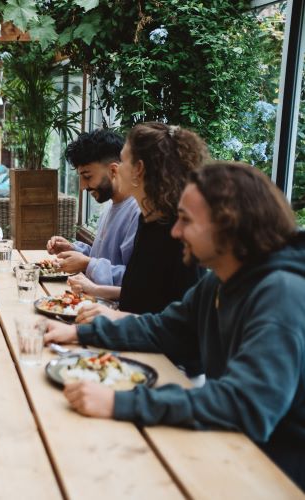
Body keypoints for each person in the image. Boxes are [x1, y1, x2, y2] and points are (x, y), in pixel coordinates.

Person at [43, 161, 305, 491]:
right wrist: (80, 332)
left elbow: (244, 405)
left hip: (274, 477)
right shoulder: (219, 283)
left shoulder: (280, 293)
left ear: (228, 226)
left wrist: (120, 402)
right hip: (230, 449)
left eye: (186, 220)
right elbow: (162, 330)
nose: (175, 232)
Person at [70, 122, 205, 322]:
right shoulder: (148, 220)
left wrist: (114, 318)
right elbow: (141, 295)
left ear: (138, 169)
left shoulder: (174, 229)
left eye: (122, 161)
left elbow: (177, 323)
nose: (115, 169)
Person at [46, 129, 140, 285]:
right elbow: (105, 258)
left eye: (87, 176)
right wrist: (73, 250)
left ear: (113, 170)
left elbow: (137, 280)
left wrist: (87, 264)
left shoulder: (137, 213)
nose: (82, 187)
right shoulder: (111, 206)